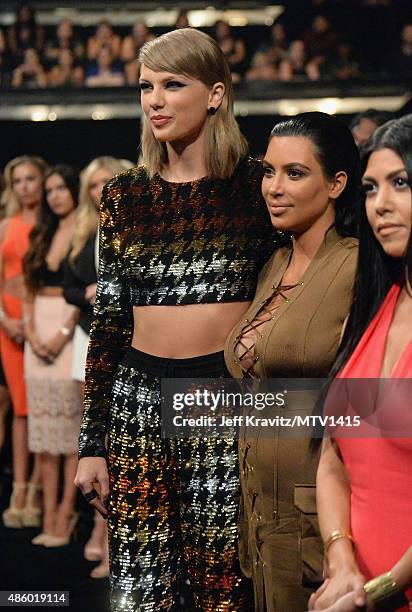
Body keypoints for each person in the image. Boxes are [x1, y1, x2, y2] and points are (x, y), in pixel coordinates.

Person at [74, 27, 276, 612]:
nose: (154, 100)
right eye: (145, 86)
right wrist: (92, 443)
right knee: (141, 590)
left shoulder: (254, 187)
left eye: (172, 84)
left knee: (224, 585)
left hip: (224, 397)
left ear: (215, 95)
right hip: (135, 398)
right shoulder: (123, 194)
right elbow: (109, 323)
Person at [224, 112, 360, 612]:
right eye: (268, 171)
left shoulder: (358, 265)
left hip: (318, 530)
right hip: (259, 524)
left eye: (295, 173)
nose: (273, 188)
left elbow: (374, 410)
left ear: (336, 184)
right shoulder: (273, 264)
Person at [308, 115, 412, 612]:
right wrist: (341, 559)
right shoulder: (376, 302)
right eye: (371, 188)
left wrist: (385, 588)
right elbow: (333, 453)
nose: (381, 205)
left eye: (400, 184)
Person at [64, 156, 133, 578]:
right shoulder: (85, 230)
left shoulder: (135, 225)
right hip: (86, 340)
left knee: (116, 438)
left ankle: (110, 533)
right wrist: (86, 292)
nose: (100, 190)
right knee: (87, 437)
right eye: (93, 184)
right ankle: (95, 524)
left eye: (108, 181)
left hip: (128, 343)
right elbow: (68, 284)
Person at [24, 164, 82, 547]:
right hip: (37, 330)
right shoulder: (41, 232)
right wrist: (30, 330)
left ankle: (67, 512)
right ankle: (47, 517)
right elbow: (27, 287)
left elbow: (83, 290)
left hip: (69, 326)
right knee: (43, 434)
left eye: (61, 188)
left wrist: (63, 334)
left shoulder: (86, 232)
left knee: (69, 431)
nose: (54, 196)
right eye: (50, 190)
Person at [0, 155, 48, 528]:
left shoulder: (50, 226)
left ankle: (36, 489)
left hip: (42, 324)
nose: (25, 186)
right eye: (18, 181)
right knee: (20, 408)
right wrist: (6, 320)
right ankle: (19, 487)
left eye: (31, 179)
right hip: (8, 327)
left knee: (41, 405)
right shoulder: (5, 227)